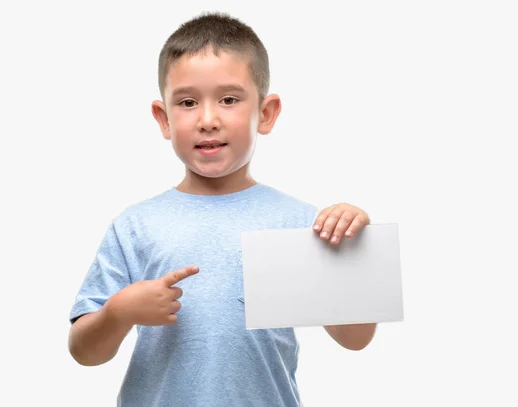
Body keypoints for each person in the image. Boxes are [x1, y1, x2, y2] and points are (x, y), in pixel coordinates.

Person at [68, 11, 376, 407]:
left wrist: (353, 247)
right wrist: (118, 312)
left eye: (229, 99)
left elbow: (356, 338)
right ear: (163, 118)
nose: (208, 119)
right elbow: (83, 352)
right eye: (188, 102)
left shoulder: (302, 223)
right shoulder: (135, 226)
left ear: (265, 113)